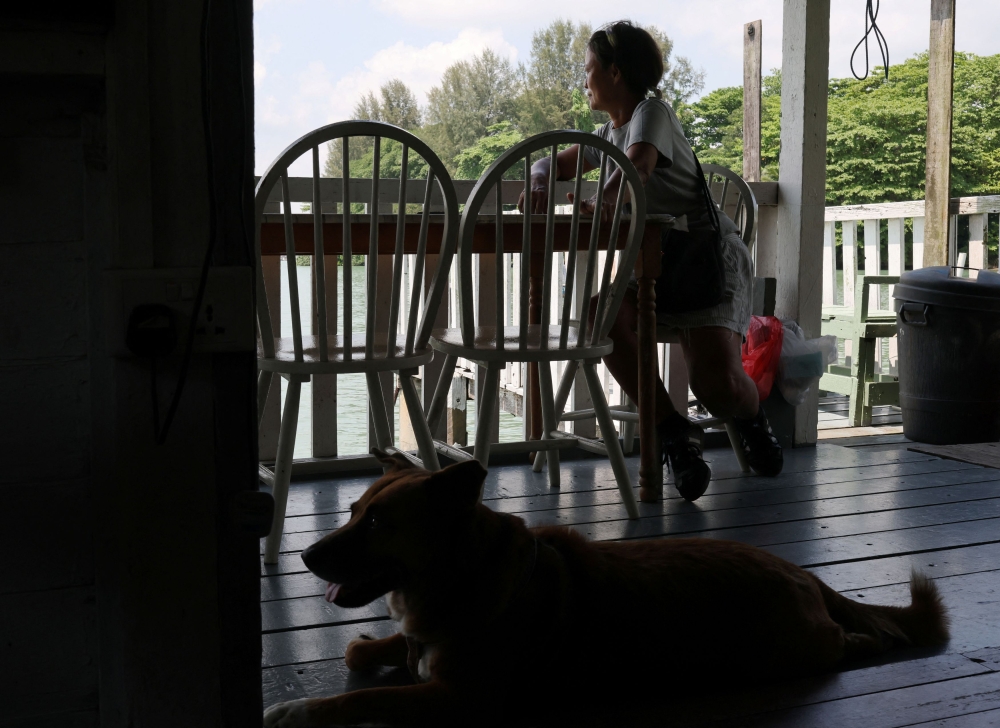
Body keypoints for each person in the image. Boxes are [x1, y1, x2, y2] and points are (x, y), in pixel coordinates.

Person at [518, 20, 782, 502]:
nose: (584, 79)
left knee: (714, 385)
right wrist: (539, 181)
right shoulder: (609, 133)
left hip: (705, 257)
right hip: (656, 264)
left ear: (615, 72)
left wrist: (601, 201)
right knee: (601, 315)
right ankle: (674, 433)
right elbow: (549, 162)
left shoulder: (651, 112)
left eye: (589, 69)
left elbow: (637, 166)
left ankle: (752, 413)